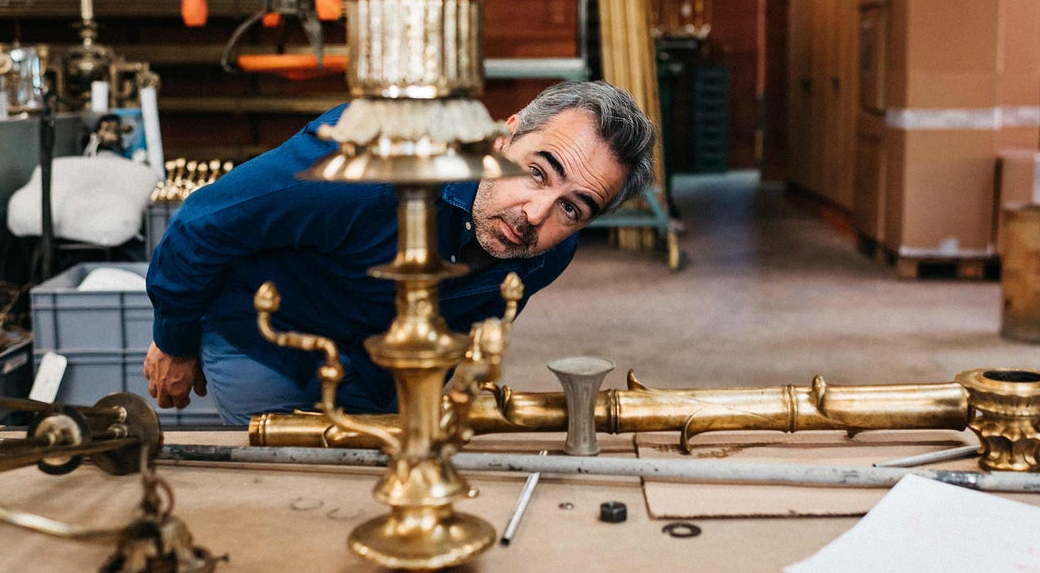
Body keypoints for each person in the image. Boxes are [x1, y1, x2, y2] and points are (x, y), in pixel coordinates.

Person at [143, 80, 656, 424]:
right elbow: (202, 221)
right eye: (538, 172)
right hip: (268, 345)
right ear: (505, 136)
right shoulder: (368, 163)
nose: (536, 216)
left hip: (379, 371)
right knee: (285, 496)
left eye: (572, 208)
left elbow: (466, 328)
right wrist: (174, 342)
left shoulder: (548, 254)